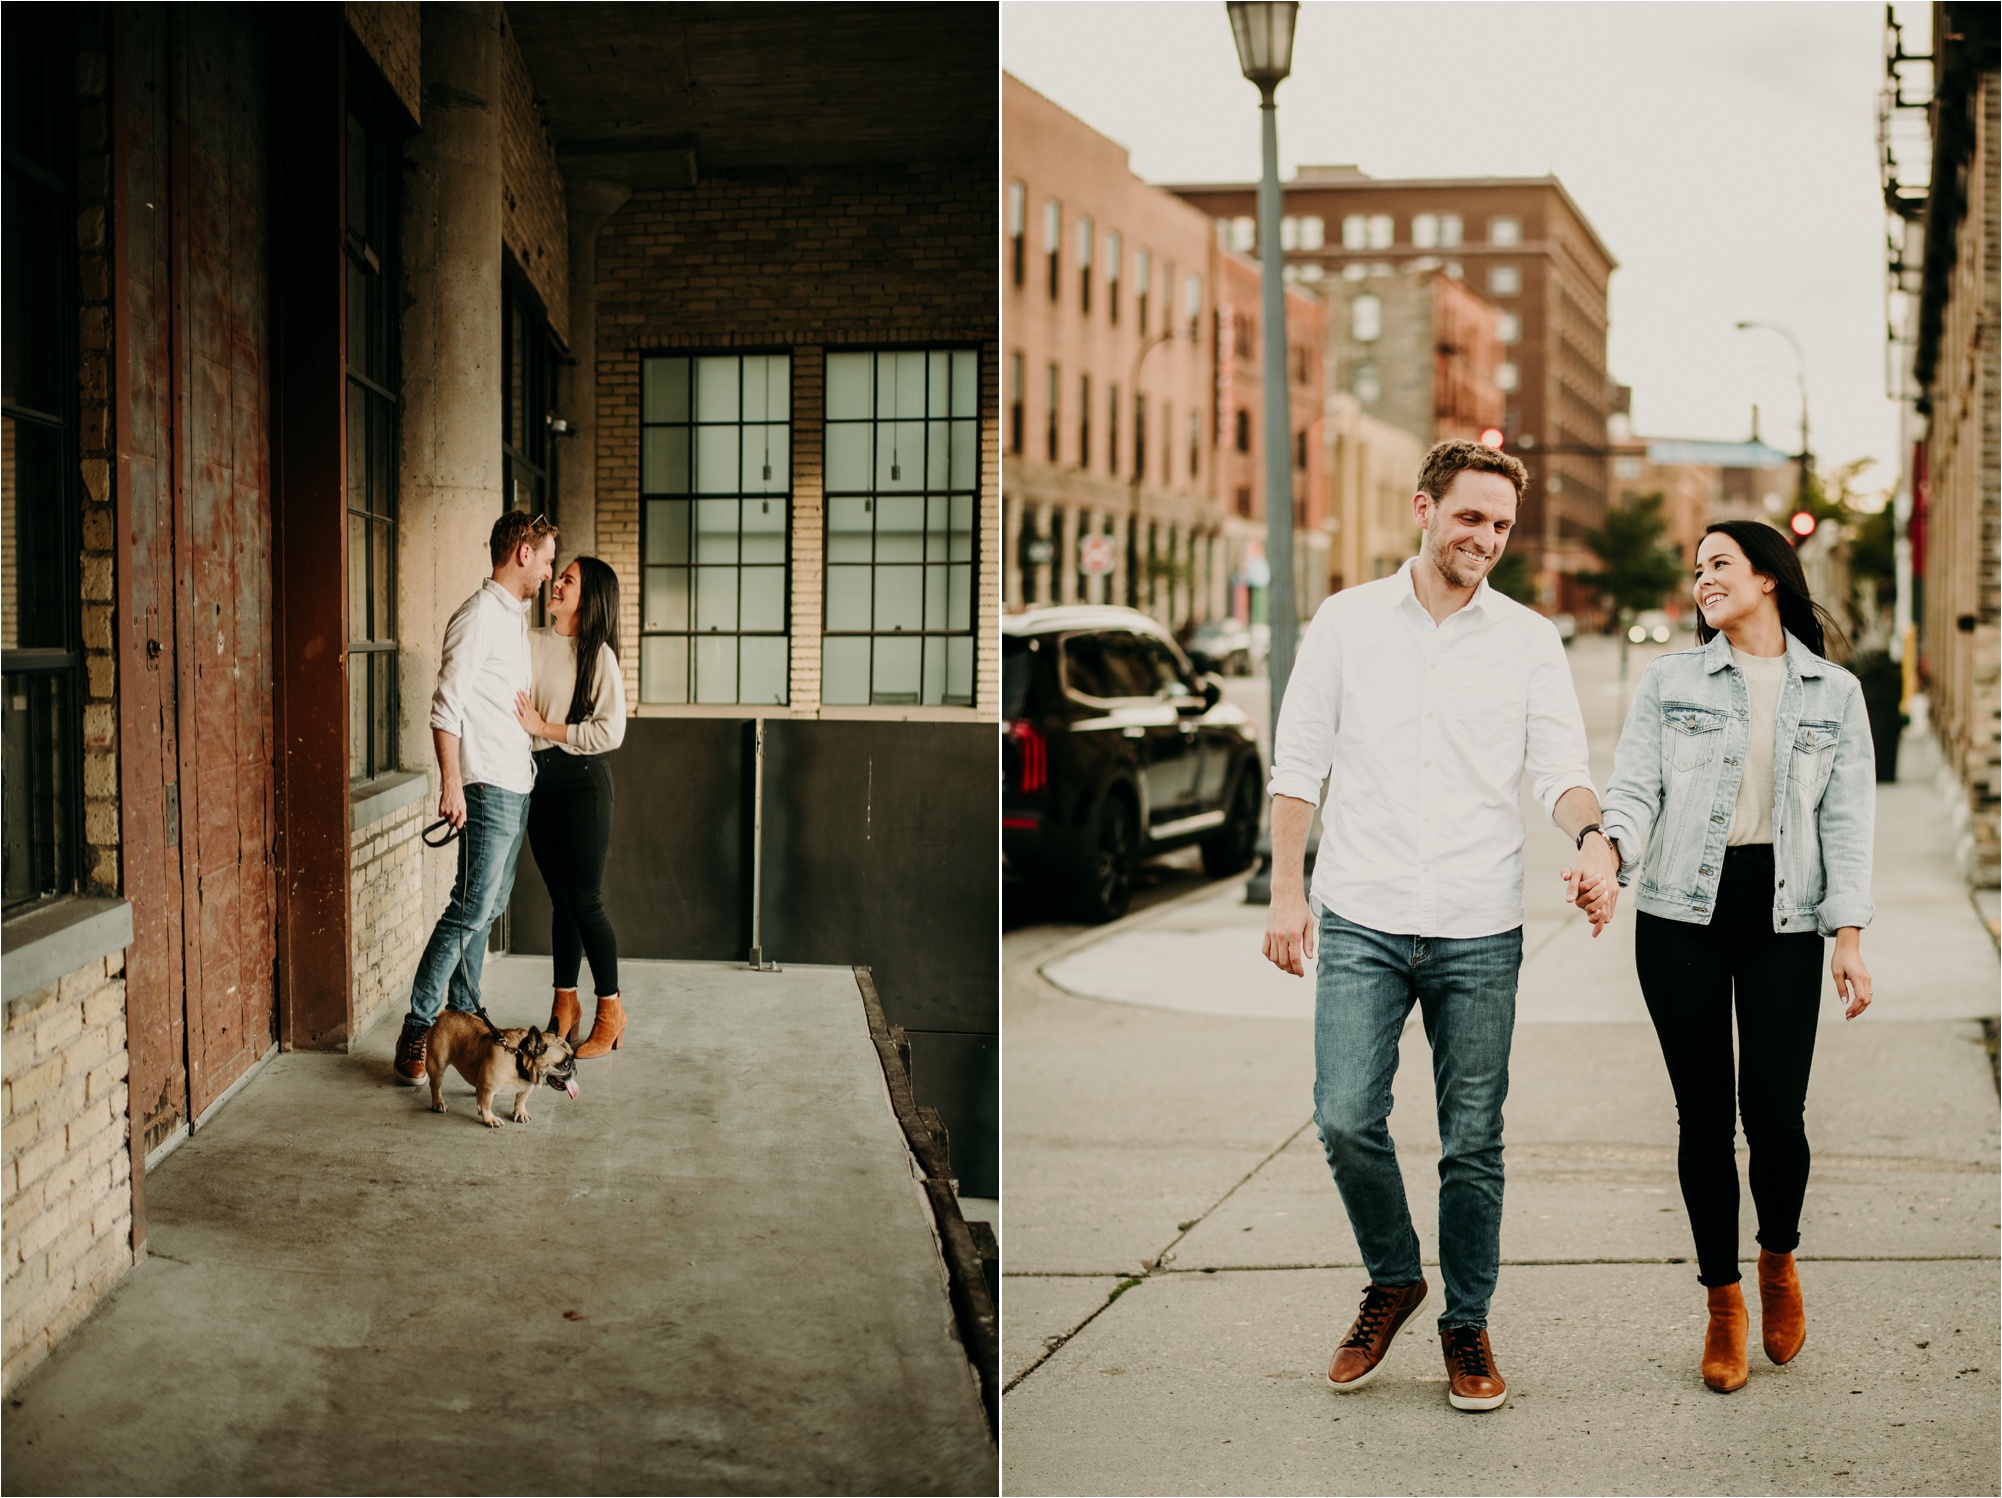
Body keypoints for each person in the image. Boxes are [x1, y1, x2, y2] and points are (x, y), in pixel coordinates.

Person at [1262, 439, 1618, 1413]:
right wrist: (1285, 892)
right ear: (1423, 509)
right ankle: (1392, 1275)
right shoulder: (1344, 622)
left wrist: (1592, 840)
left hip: (1475, 924)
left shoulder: (1527, 640)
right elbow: (1299, 762)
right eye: (1469, 517)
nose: (1486, 539)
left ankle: (1465, 1322)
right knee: (1343, 1115)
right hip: (1361, 915)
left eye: (1500, 525)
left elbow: (1558, 768)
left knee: (1471, 1138)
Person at [1598, 519, 1874, 1394]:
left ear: (1768, 578)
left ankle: (1778, 1263)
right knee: (1703, 1117)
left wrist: (1850, 936)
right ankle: (1722, 1302)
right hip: (1679, 910)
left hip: (1783, 914)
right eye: (1697, 569)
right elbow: (1636, 784)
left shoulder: (1835, 692)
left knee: (1776, 1115)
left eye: (1720, 564)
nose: (1703, 579)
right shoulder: (1671, 678)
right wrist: (1609, 853)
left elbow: (1848, 822)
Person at [393, 511, 558, 1085]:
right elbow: (446, 707)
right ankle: (417, 1029)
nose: (548, 571)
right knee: (466, 912)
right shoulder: (477, 616)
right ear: (521, 552)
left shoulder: (513, 618)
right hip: (484, 787)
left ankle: (462, 1019)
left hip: (516, 785)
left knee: (485, 912)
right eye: (546, 558)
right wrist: (451, 783)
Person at [513, 556, 629, 1058]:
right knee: (561, 901)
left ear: (589, 598)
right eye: (558, 576)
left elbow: (611, 731)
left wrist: (546, 729)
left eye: (568, 580)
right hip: (537, 781)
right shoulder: (530, 639)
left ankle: (611, 1009)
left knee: (585, 901)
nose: (556, 583)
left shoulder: (597, 655)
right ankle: (566, 1006)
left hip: (582, 782)